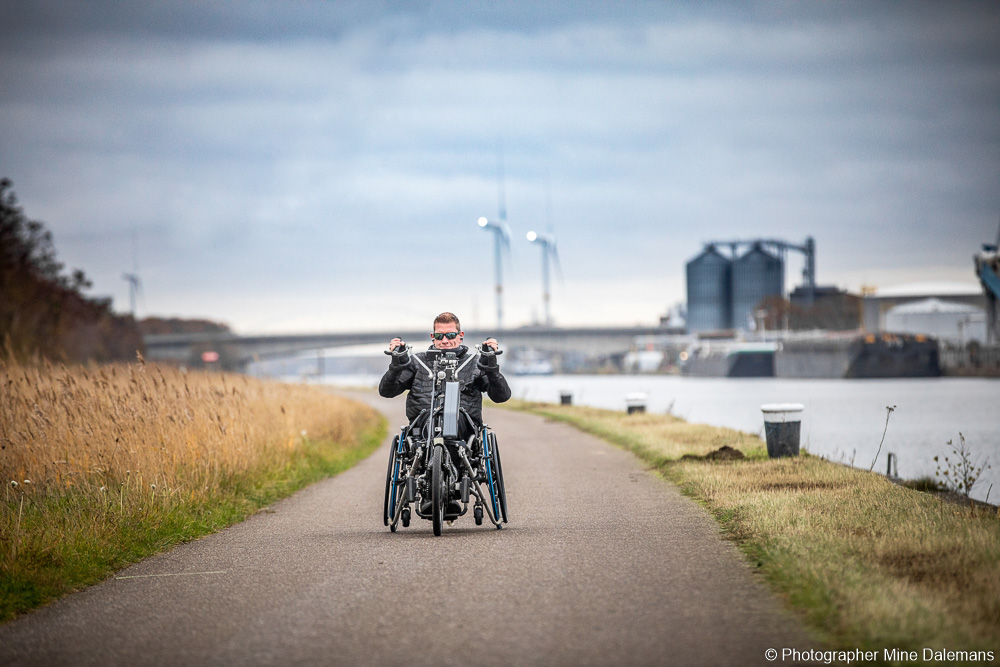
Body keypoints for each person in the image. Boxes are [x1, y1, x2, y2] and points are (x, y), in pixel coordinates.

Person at [378, 312, 511, 435]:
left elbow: (501, 396)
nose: (445, 340)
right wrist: (397, 364)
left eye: (451, 335)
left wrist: (490, 365)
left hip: (464, 426)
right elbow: (387, 391)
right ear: (433, 337)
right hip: (423, 424)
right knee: (429, 423)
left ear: (461, 336)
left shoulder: (474, 363)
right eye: (439, 336)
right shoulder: (417, 362)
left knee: (455, 421)